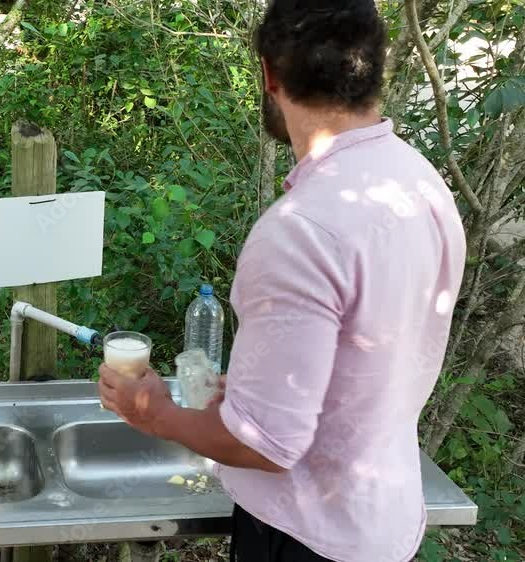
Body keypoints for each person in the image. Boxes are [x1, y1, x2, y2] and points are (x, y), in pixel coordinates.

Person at [96, 1, 467, 561]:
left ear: (269, 74)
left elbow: (267, 446)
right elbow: (364, 366)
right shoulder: (420, 182)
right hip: (383, 521)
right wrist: (252, 389)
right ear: (374, 72)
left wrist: (155, 413)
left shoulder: (301, 231)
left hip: (305, 537)